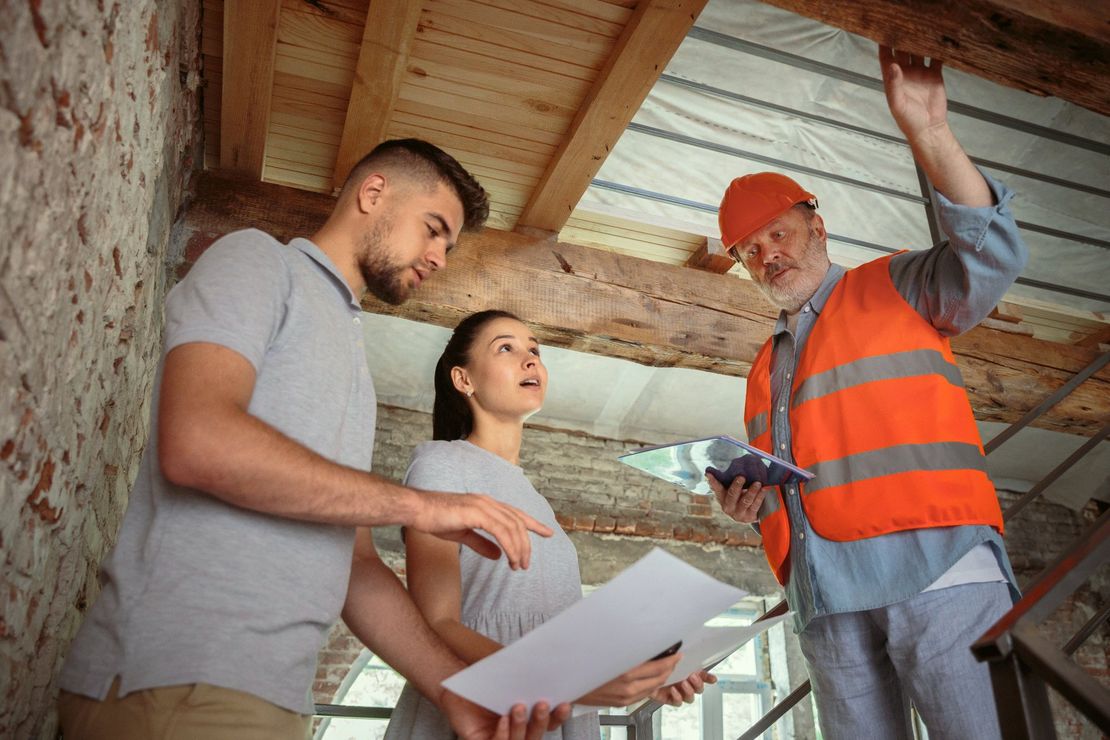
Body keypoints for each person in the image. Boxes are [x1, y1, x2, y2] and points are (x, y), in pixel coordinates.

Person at [57, 139, 571, 740]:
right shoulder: (258, 262)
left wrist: (448, 691)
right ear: (373, 193)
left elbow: (355, 566)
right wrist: (422, 506)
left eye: (448, 246)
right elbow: (196, 441)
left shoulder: (356, 365)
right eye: (433, 230)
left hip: (277, 699)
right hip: (177, 681)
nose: (439, 258)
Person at [706, 48, 1027, 740]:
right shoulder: (765, 366)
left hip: (937, 570)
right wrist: (747, 502)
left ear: (817, 228)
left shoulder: (896, 286)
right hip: (826, 598)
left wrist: (930, 133)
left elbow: (992, 253)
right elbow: (789, 483)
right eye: (750, 252)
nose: (768, 256)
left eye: (779, 234)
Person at [384, 310, 715, 739]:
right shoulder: (440, 463)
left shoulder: (537, 501)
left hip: (553, 707)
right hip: (486, 706)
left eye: (534, 350)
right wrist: (564, 681)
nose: (530, 360)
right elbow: (437, 622)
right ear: (464, 380)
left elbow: (559, 633)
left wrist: (645, 672)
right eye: (506, 347)